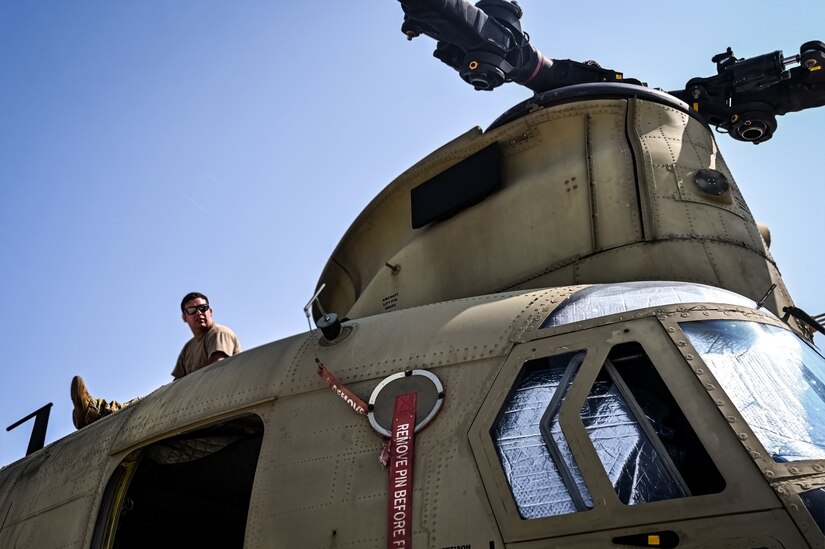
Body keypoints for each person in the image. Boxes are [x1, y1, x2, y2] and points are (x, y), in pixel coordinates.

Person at [70, 292, 242, 428]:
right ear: (184, 317)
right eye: (192, 310)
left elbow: (218, 369)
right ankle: (96, 413)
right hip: (193, 398)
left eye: (203, 308)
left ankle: (97, 411)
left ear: (210, 311)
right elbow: (176, 384)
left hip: (214, 400)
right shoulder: (189, 349)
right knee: (148, 401)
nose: (199, 313)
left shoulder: (219, 333)